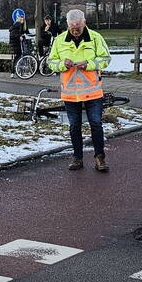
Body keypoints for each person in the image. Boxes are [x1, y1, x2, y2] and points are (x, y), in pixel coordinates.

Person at [48, 9, 111, 172]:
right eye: (72, 27)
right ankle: (77, 158)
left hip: (92, 91)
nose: (75, 30)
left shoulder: (96, 38)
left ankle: (100, 158)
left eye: (78, 26)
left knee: (96, 124)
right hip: (70, 92)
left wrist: (89, 64)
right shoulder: (60, 40)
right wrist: (62, 65)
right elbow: (51, 62)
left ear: (84, 22)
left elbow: (106, 59)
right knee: (74, 126)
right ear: (67, 25)